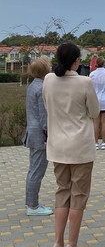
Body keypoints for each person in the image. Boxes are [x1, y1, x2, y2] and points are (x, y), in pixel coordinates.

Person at [43, 43, 100, 247]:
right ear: (76, 61)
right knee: (78, 196)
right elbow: (94, 111)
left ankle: (57, 243)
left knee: (62, 192)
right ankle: (72, 246)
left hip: (57, 147)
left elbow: (48, 106)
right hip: (81, 148)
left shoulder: (48, 80)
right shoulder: (85, 82)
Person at [23, 56, 53, 216]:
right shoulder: (42, 88)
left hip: (33, 133)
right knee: (36, 171)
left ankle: (32, 203)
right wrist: (49, 135)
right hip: (39, 136)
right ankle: (32, 206)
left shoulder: (33, 85)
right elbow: (44, 117)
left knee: (33, 170)